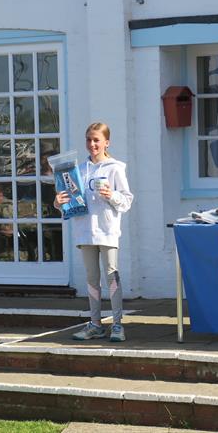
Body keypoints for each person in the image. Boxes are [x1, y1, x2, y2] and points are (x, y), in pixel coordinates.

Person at [54, 122, 134, 342]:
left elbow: (127, 201)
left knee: (112, 275)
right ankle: (96, 324)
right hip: (85, 231)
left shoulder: (115, 168)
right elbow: (72, 203)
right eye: (89, 139)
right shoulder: (77, 171)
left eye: (96, 140)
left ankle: (117, 324)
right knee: (91, 278)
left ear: (106, 142)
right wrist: (58, 203)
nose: (92, 144)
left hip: (108, 230)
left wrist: (112, 195)